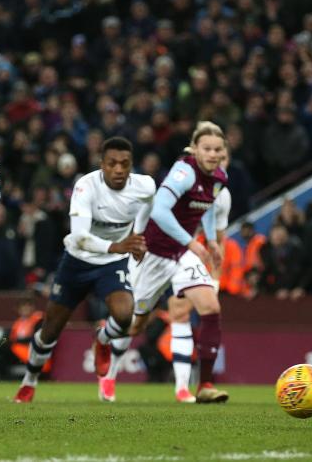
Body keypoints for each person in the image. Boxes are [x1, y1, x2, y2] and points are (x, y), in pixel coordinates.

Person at [12, 137, 154, 403]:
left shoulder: (144, 186)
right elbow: (79, 238)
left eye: (125, 164)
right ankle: (29, 381)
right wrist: (120, 245)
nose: (119, 169)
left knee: (124, 316)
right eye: (112, 163)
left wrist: (138, 235)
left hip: (110, 264)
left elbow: (147, 205)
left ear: (131, 164)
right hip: (77, 263)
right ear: (102, 164)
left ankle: (102, 338)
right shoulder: (85, 187)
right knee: (50, 330)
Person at [96, 121, 227, 404]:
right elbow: (160, 211)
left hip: (181, 255)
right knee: (133, 325)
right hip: (152, 254)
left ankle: (203, 385)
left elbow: (208, 203)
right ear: (195, 149)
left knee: (211, 307)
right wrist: (193, 241)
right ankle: (106, 356)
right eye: (207, 148)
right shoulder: (183, 172)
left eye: (218, 149)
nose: (213, 154)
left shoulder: (218, 177)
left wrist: (212, 239)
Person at [164, 148, 233, 403]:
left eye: (223, 158)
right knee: (132, 319)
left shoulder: (222, 194)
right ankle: (106, 343)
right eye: (213, 155)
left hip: (185, 252)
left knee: (193, 310)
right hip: (156, 250)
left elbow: (219, 238)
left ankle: (187, 387)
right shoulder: (181, 178)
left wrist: (213, 280)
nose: (218, 163)